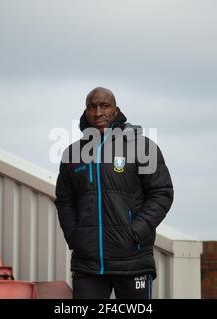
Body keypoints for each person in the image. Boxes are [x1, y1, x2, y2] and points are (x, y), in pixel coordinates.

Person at [55, 87, 174, 299]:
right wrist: (75, 236)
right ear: (86, 111)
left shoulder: (142, 147)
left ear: (116, 110)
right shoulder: (72, 154)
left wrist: (135, 232)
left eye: (104, 105)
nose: (98, 112)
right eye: (92, 107)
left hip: (133, 261)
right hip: (88, 265)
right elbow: (65, 201)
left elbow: (161, 193)